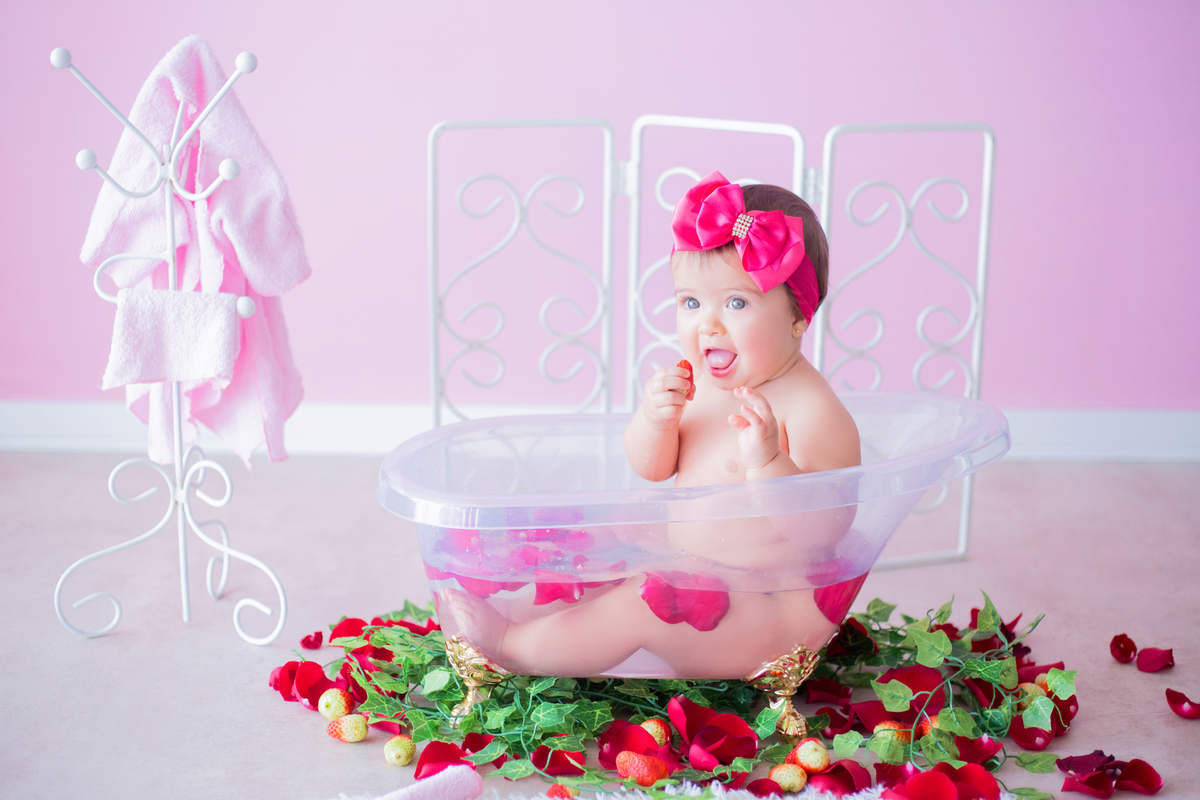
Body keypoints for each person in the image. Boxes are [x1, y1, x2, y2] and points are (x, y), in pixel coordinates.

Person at [444, 172, 862, 678]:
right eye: (690, 302)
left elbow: (825, 531)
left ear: (799, 314)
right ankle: (533, 616)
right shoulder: (706, 384)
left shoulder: (811, 410)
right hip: (699, 572)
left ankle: (511, 646)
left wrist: (769, 463)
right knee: (612, 545)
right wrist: (654, 423)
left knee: (643, 603)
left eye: (736, 302)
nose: (707, 325)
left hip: (769, 615)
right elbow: (653, 469)